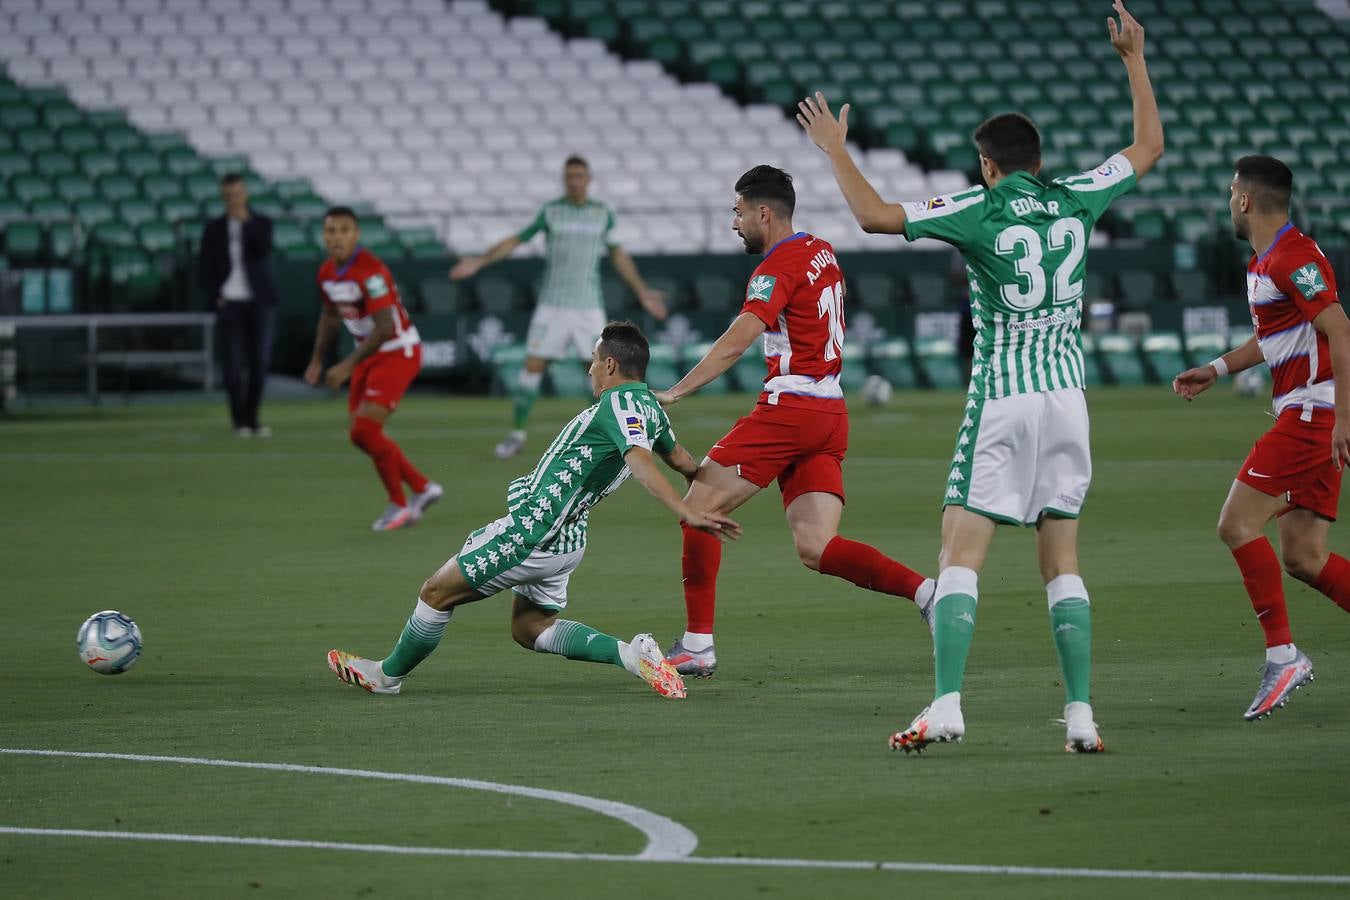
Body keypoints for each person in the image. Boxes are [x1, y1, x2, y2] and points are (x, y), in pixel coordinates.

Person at [797, 0, 1163, 753]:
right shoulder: (1075, 198)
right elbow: (1148, 146)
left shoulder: (979, 206)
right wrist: (1134, 60)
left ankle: (949, 703)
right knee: (1061, 558)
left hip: (1003, 397)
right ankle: (1082, 716)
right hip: (1068, 399)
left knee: (958, 553)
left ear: (990, 166)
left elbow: (872, 216)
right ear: (1039, 158)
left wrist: (836, 147)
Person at [327, 322, 740, 698]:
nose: (589, 370)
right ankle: (632, 655)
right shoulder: (650, 409)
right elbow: (686, 463)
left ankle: (387, 676)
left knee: (435, 593)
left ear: (610, 364)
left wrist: (685, 512)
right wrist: (706, 498)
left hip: (533, 532)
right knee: (530, 628)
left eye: (594, 362)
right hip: (568, 539)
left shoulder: (618, 406)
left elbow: (640, 461)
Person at [653, 165, 935, 679]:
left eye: (738, 213)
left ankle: (697, 645)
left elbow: (737, 340)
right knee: (817, 546)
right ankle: (929, 594)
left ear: (764, 212)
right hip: (831, 411)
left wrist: (676, 390)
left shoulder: (774, 267)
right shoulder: (822, 250)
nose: (734, 224)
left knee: (697, 505)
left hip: (793, 409)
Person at [1172, 155, 1350, 721]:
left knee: (1235, 522)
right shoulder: (1266, 263)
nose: (1228, 201)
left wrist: (1344, 418)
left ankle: (1283, 656)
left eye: (1230, 192)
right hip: (1307, 415)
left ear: (1246, 200)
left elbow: (1340, 328)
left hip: (1310, 417)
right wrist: (1218, 368)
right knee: (1303, 556)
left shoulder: (1294, 257)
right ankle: (1284, 655)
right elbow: (1272, 338)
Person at [449, 156, 669, 460]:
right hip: (552, 305)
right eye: (569, 176)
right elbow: (516, 240)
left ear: (588, 178)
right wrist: (479, 260)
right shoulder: (551, 211)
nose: (574, 181)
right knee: (532, 368)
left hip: (588, 306)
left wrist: (642, 291)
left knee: (601, 372)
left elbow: (619, 255)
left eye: (579, 175)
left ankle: (609, 434)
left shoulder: (602, 213)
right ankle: (517, 434)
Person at [304, 207, 442, 532]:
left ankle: (399, 505)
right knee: (361, 435)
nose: (337, 237)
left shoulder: (371, 271)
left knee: (365, 430)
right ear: (324, 236)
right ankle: (422, 488)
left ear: (356, 235)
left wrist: (346, 366)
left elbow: (383, 328)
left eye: (344, 230)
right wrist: (317, 360)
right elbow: (330, 315)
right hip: (368, 355)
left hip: (397, 350)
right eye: (331, 231)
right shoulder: (326, 273)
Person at [198, 173, 277, 437]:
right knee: (232, 365)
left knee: (259, 362)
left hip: (258, 301)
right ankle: (239, 420)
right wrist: (215, 295)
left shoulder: (261, 223)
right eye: (228, 194)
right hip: (229, 301)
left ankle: (253, 417)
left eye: (237, 193)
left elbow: (263, 250)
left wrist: (247, 223)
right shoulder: (214, 228)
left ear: (245, 194)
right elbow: (205, 266)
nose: (233, 199)